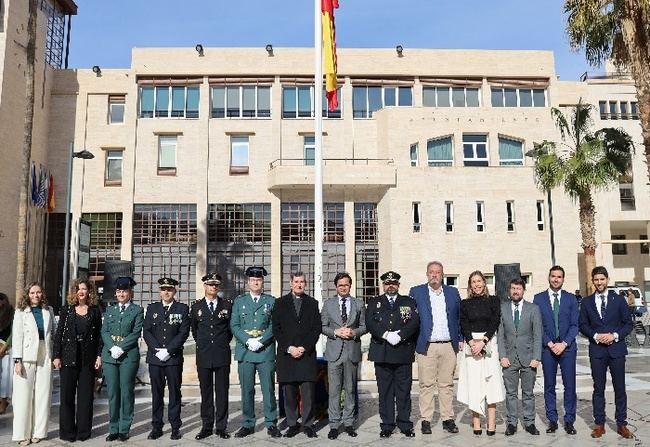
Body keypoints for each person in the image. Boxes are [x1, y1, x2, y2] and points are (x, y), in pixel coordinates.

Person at [579, 266, 634, 439]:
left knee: (620, 388)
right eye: (596, 279)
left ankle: (621, 424)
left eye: (602, 279)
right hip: (597, 351)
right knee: (598, 388)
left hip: (616, 350)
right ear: (593, 281)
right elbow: (583, 325)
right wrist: (596, 335)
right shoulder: (587, 302)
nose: (599, 282)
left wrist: (615, 335)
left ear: (607, 280)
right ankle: (600, 424)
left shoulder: (618, 300)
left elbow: (628, 323)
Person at [409, 261, 462, 435]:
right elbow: (410, 320)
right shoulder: (416, 292)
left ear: (442, 275)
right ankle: (426, 420)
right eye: (431, 272)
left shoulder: (453, 292)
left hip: (448, 345)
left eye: (438, 272)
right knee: (426, 384)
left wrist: (460, 338)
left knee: (447, 385)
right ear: (427, 274)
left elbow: (460, 318)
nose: (434, 275)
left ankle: (448, 419)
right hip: (427, 346)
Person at [366, 271, 420, 439]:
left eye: (394, 283)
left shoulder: (408, 302)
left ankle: (404, 424)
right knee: (385, 391)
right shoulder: (375, 302)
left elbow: (414, 322)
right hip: (382, 353)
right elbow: (370, 323)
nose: (391, 286)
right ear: (383, 285)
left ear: (398, 285)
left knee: (404, 391)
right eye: (388, 284)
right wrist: (386, 334)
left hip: (402, 352)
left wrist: (400, 335)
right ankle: (387, 425)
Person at [230, 266, 281, 438]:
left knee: (268, 389)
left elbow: (275, 325)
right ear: (248, 282)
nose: (256, 282)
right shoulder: (239, 301)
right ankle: (247, 423)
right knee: (247, 390)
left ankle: (271, 423)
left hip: (265, 351)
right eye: (252, 280)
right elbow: (234, 325)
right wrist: (247, 340)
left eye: (258, 280)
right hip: (245, 351)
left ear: (262, 282)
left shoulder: (271, 301)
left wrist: (261, 341)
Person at [52, 279, 103, 442]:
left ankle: (83, 432)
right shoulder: (66, 310)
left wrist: (99, 355)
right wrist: (56, 356)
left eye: (84, 289)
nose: (81, 292)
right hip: (68, 357)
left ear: (89, 292)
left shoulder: (95, 311)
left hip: (88, 358)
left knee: (86, 397)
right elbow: (59, 334)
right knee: (66, 396)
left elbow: (99, 336)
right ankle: (67, 433)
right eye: (78, 289)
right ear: (74, 292)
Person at [272, 271, 321, 438]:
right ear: (290, 283)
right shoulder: (279, 303)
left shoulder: (313, 303)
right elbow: (276, 329)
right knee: (289, 392)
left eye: (302, 282)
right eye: (296, 282)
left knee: (308, 392)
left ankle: (308, 424)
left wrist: (304, 347)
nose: (299, 284)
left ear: (305, 284)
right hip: (287, 355)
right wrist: (289, 348)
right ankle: (292, 424)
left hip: (306, 354)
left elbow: (316, 328)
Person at [533, 266, 579, 435]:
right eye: (553, 276)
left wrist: (565, 343)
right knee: (549, 386)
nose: (556, 279)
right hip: (548, 349)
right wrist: (550, 343)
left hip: (567, 348)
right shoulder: (538, 299)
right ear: (549, 277)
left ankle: (569, 421)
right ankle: (552, 420)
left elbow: (575, 325)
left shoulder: (571, 299)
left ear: (563, 279)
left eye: (559, 277)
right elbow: (537, 325)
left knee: (570, 386)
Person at [143, 277, 190, 440]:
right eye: (163, 289)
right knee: (156, 393)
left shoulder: (182, 308)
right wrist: (157, 350)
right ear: (160, 291)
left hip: (173, 358)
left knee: (175, 393)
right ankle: (157, 426)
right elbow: (147, 331)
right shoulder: (152, 308)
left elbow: (183, 332)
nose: (166, 292)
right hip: (155, 359)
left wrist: (169, 350)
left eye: (169, 289)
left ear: (174, 291)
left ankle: (175, 426)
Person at [321, 272, 367, 439]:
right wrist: (335, 331)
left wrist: (353, 332)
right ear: (336, 286)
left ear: (350, 285)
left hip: (351, 352)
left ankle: (348, 423)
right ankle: (334, 425)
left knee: (350, 390)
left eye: (346, 284)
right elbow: (322, 326)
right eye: (340, 285)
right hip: (334, 353)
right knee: (333, 391)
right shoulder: (328, 304)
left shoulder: (359, 304)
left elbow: (365, 326)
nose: (343, 287)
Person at [457, 270, 503, 436]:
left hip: (488, 342)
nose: (476, 284)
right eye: (473, 282)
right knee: (474, 385)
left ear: (484, 283)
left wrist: (483, 342)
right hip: (471, 348)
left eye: (479, 281)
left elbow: (495, 320)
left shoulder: (494, 300)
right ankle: (476, 423)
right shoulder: (465, 303)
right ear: (470, 285)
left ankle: (491, 425)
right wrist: (471, 343)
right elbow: (464, 324)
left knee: (491, 385)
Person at [101, 276, 144, 442]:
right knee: (112, 393)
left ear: (130, 292)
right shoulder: (110, 310)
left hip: (128, 356)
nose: (121, 294)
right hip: (110, 355)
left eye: (124, 291)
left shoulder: (137, 310)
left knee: (126, 392)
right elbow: (104, 331)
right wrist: (112, 347)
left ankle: (124, 428)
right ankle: (113, 428)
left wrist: (122, 347)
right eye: (119, 291)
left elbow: (136, 332)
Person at [498, 277, 542, 437]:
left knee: (528, 393)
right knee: (510, 393)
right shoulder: (502, 308)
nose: (515, 291)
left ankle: (529, 422)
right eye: (513, 288)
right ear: (509, 291)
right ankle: (511, 423)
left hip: (529, 358)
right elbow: (500, 335)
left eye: (518, 288)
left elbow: (538, 336)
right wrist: (502, 356)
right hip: (509, 358)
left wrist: (536, 357)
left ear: (523, 290)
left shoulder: (533, 309)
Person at [12, 283, 55, 446]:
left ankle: (39, 432)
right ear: (27, 294)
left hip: (45, 354)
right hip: (26, 355)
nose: (35, 295)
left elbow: (53, 333)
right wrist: (17, 360)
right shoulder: (20, 312)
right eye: (32, 293)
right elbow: (17, 337)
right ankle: (23, 434)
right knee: (23, 396)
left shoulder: (48, 310)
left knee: (43, 394)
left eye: (38, 292)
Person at [191, 272, 233, 440]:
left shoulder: (227, 306)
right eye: (210, 284)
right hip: (204, 354)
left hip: (222, 354)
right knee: (206, 392)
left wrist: (220, 343)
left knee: (222, 392)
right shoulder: (196, 307)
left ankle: (222, 426)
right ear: (205, 286)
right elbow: (195, 330)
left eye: (216, 284)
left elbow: (229, 331)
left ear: (219, 287)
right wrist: (205, 344)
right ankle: (207, 426)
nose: (213, 287)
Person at [0, 292, 14, 415]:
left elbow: (13, 332)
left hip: (7, 348)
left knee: (6, 376)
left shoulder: (11, 313)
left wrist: (4, 348)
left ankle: (4, 402)